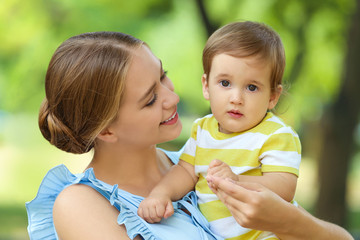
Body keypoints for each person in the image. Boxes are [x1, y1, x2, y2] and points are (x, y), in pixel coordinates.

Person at [25, 30, 354, 240]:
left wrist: (286, 220)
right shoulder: (80, 205)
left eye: (163, 77)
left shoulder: (198, 162)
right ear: (107, 129)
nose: (173, 98)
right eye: (151, 98)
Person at [137, 21, 301, 240]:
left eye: (252, 87)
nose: (236, 98)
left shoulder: (276, 135)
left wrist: (237, 181)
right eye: (225, 83)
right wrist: (160, 194)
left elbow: (284, 187)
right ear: (206, 86)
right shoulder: (203, 130)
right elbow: (186, 172)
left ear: (272, 96)